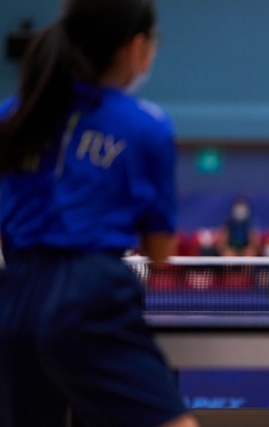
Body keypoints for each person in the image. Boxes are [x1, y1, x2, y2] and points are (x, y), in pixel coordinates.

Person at [0, 1, 198, 426]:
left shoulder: (14, 113)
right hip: (89, 296)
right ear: (134, 48)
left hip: (13, 296)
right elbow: (159, 251)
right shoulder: (147, 125)